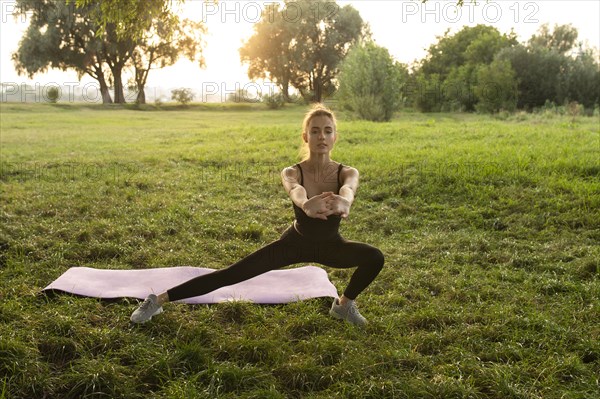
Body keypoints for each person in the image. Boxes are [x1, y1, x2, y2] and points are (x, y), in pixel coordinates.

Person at [130, 103, 385, 326]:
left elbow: (348, 189)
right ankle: (157, 300)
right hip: (294, 244)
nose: (322, 136)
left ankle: (343, 305)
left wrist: (345, 201)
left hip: (331, 246)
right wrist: (307, 205)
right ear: (305, 136)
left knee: (374, 257)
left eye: (327, 131)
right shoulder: (292, 171)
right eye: (315, 131)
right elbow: (295, 190)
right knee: (231, 274)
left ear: (335, 137)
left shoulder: (347, 171)